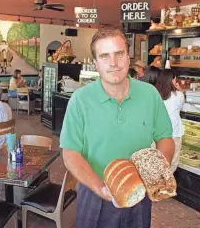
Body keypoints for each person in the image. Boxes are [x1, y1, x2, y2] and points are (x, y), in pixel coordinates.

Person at [60, 26, 175, 228]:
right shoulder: (81, 100)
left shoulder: (149, 95)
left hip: (140, 194)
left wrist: (155, 174)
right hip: (95, 194)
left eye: (119, 54)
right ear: (96, 63)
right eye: (104, 56)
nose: (113, 63)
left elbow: (165, 138)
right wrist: (99, 188)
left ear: (128, 57)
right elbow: (70, 153)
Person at [155, 69, 184, 173]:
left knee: (158, 162)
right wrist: (180, 89)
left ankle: (157, 185)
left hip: (157, 134)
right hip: (174, 133)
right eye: (175, 79)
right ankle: (166, 186)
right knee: (172, 162)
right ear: (172, 80)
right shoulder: (178, 95)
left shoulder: (155, 94)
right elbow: (182, 107)